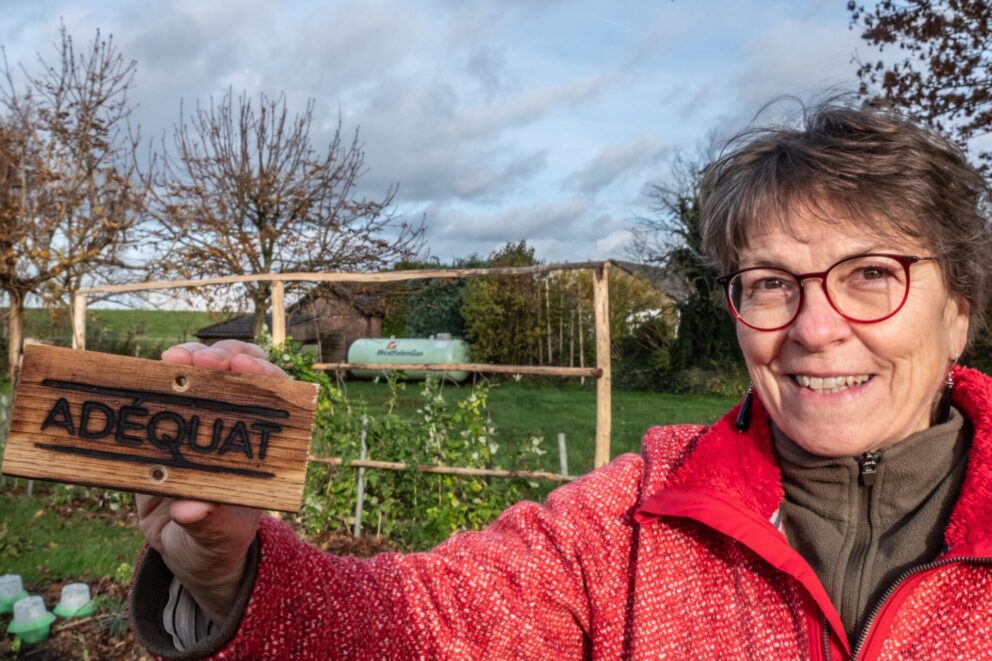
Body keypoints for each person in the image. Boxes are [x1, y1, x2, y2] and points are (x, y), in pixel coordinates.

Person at [130, 100, 992, 660]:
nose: (813, 327)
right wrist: (229, 567)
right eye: (770, 282)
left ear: (959, 307)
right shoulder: (631, 525)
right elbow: (421, 625)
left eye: (871, 273)